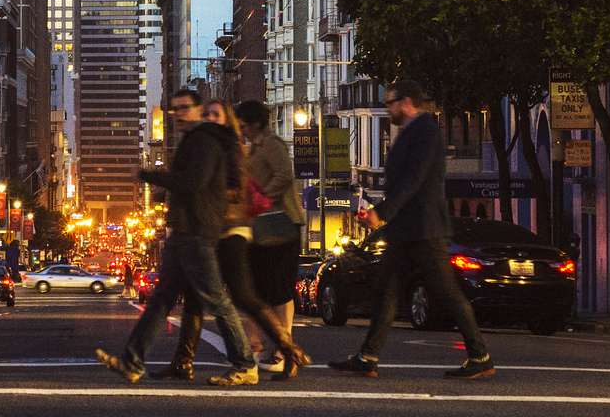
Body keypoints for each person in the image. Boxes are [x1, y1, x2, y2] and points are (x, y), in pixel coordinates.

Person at [329, 80, 495, 380]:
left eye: (391, 102)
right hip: (406, 230)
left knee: (446, 292)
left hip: (424, 229)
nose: (387, 108)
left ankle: (480, 355)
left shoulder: (426, 131)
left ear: (406, 102)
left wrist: (381, 212)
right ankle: (368, 356)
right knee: (386, 291)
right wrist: (382, 211)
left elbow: (414, 180)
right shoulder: (412, 132)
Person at [97, 89, 260, 387]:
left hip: (197, 230)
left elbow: (193, 182)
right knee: (161, 300)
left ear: (197, 110)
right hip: (183, 229)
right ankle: (132, 362)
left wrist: (150, 176)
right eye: (174, 110)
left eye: (185, 108)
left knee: (216, 300)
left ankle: (245, 364)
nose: (179, 115)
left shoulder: (204, 140)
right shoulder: (196, 140)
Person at [155, 102, 310, 381]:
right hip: (230, 227)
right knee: (215, 295)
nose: (209, 119)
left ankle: (281, 351)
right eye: (207, 115)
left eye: (216, 114)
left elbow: (274, 179)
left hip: (251, 227)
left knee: (253, 294)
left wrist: (258, 200)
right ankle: (187, 360)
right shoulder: (226, 145)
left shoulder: (251, 145)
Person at [237, 100, 304, 375]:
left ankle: (280, 350)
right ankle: (261, 346)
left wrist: (263, 199)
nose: (240, 129)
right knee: (257, 288)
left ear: (254, 124)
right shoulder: (252, 147)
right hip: (260, 225)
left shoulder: (271, 143)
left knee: (279, 289)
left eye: (243, 125)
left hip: (279, 223)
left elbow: (284, 175)